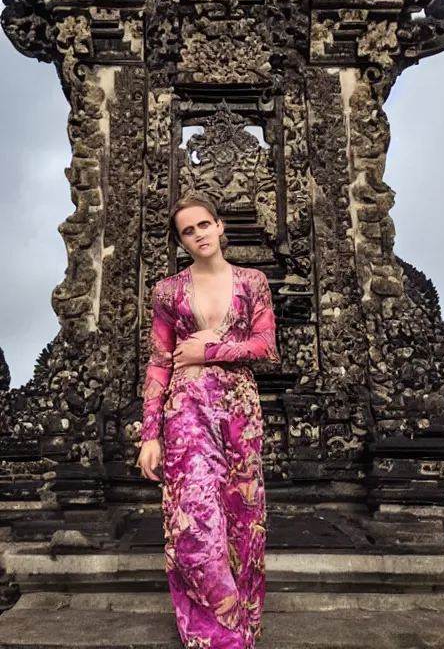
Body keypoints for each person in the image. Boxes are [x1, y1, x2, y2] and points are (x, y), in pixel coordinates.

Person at [137, 193, 279, 649]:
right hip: (186, 412)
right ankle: (219, 640)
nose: (198, 234)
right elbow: (159, 364)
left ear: (220, 227)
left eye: (203, 224)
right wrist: (149, 436)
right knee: (193, 525)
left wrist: (209, 350)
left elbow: (265, 347)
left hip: (238, 413)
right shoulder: (167, 291)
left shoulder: (252, 282)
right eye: (187, 230)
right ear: (181, 241)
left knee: (242, 523)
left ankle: (243, 625)